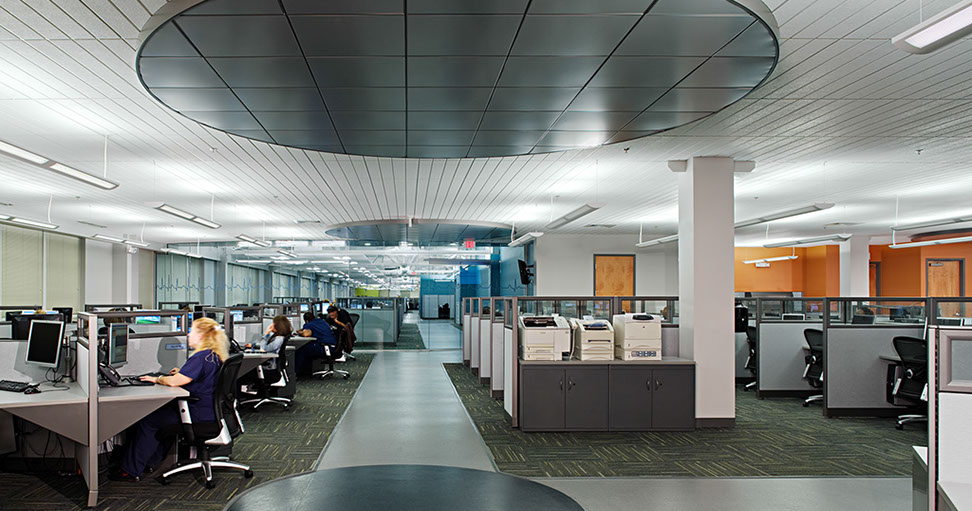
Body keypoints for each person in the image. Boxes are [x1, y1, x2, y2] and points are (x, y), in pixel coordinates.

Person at [109, 317, 228, 482]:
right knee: (161, 417)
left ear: (202, 336)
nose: (188, 335)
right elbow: (201, 378)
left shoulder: (200, 357)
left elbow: (173, 382)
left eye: (192, 332)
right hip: (210, 414)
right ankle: (150, 462)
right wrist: (182, 372)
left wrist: (156, 379)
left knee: (149, 421)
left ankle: (130, 470)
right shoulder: (214, 355)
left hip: (197, 415)